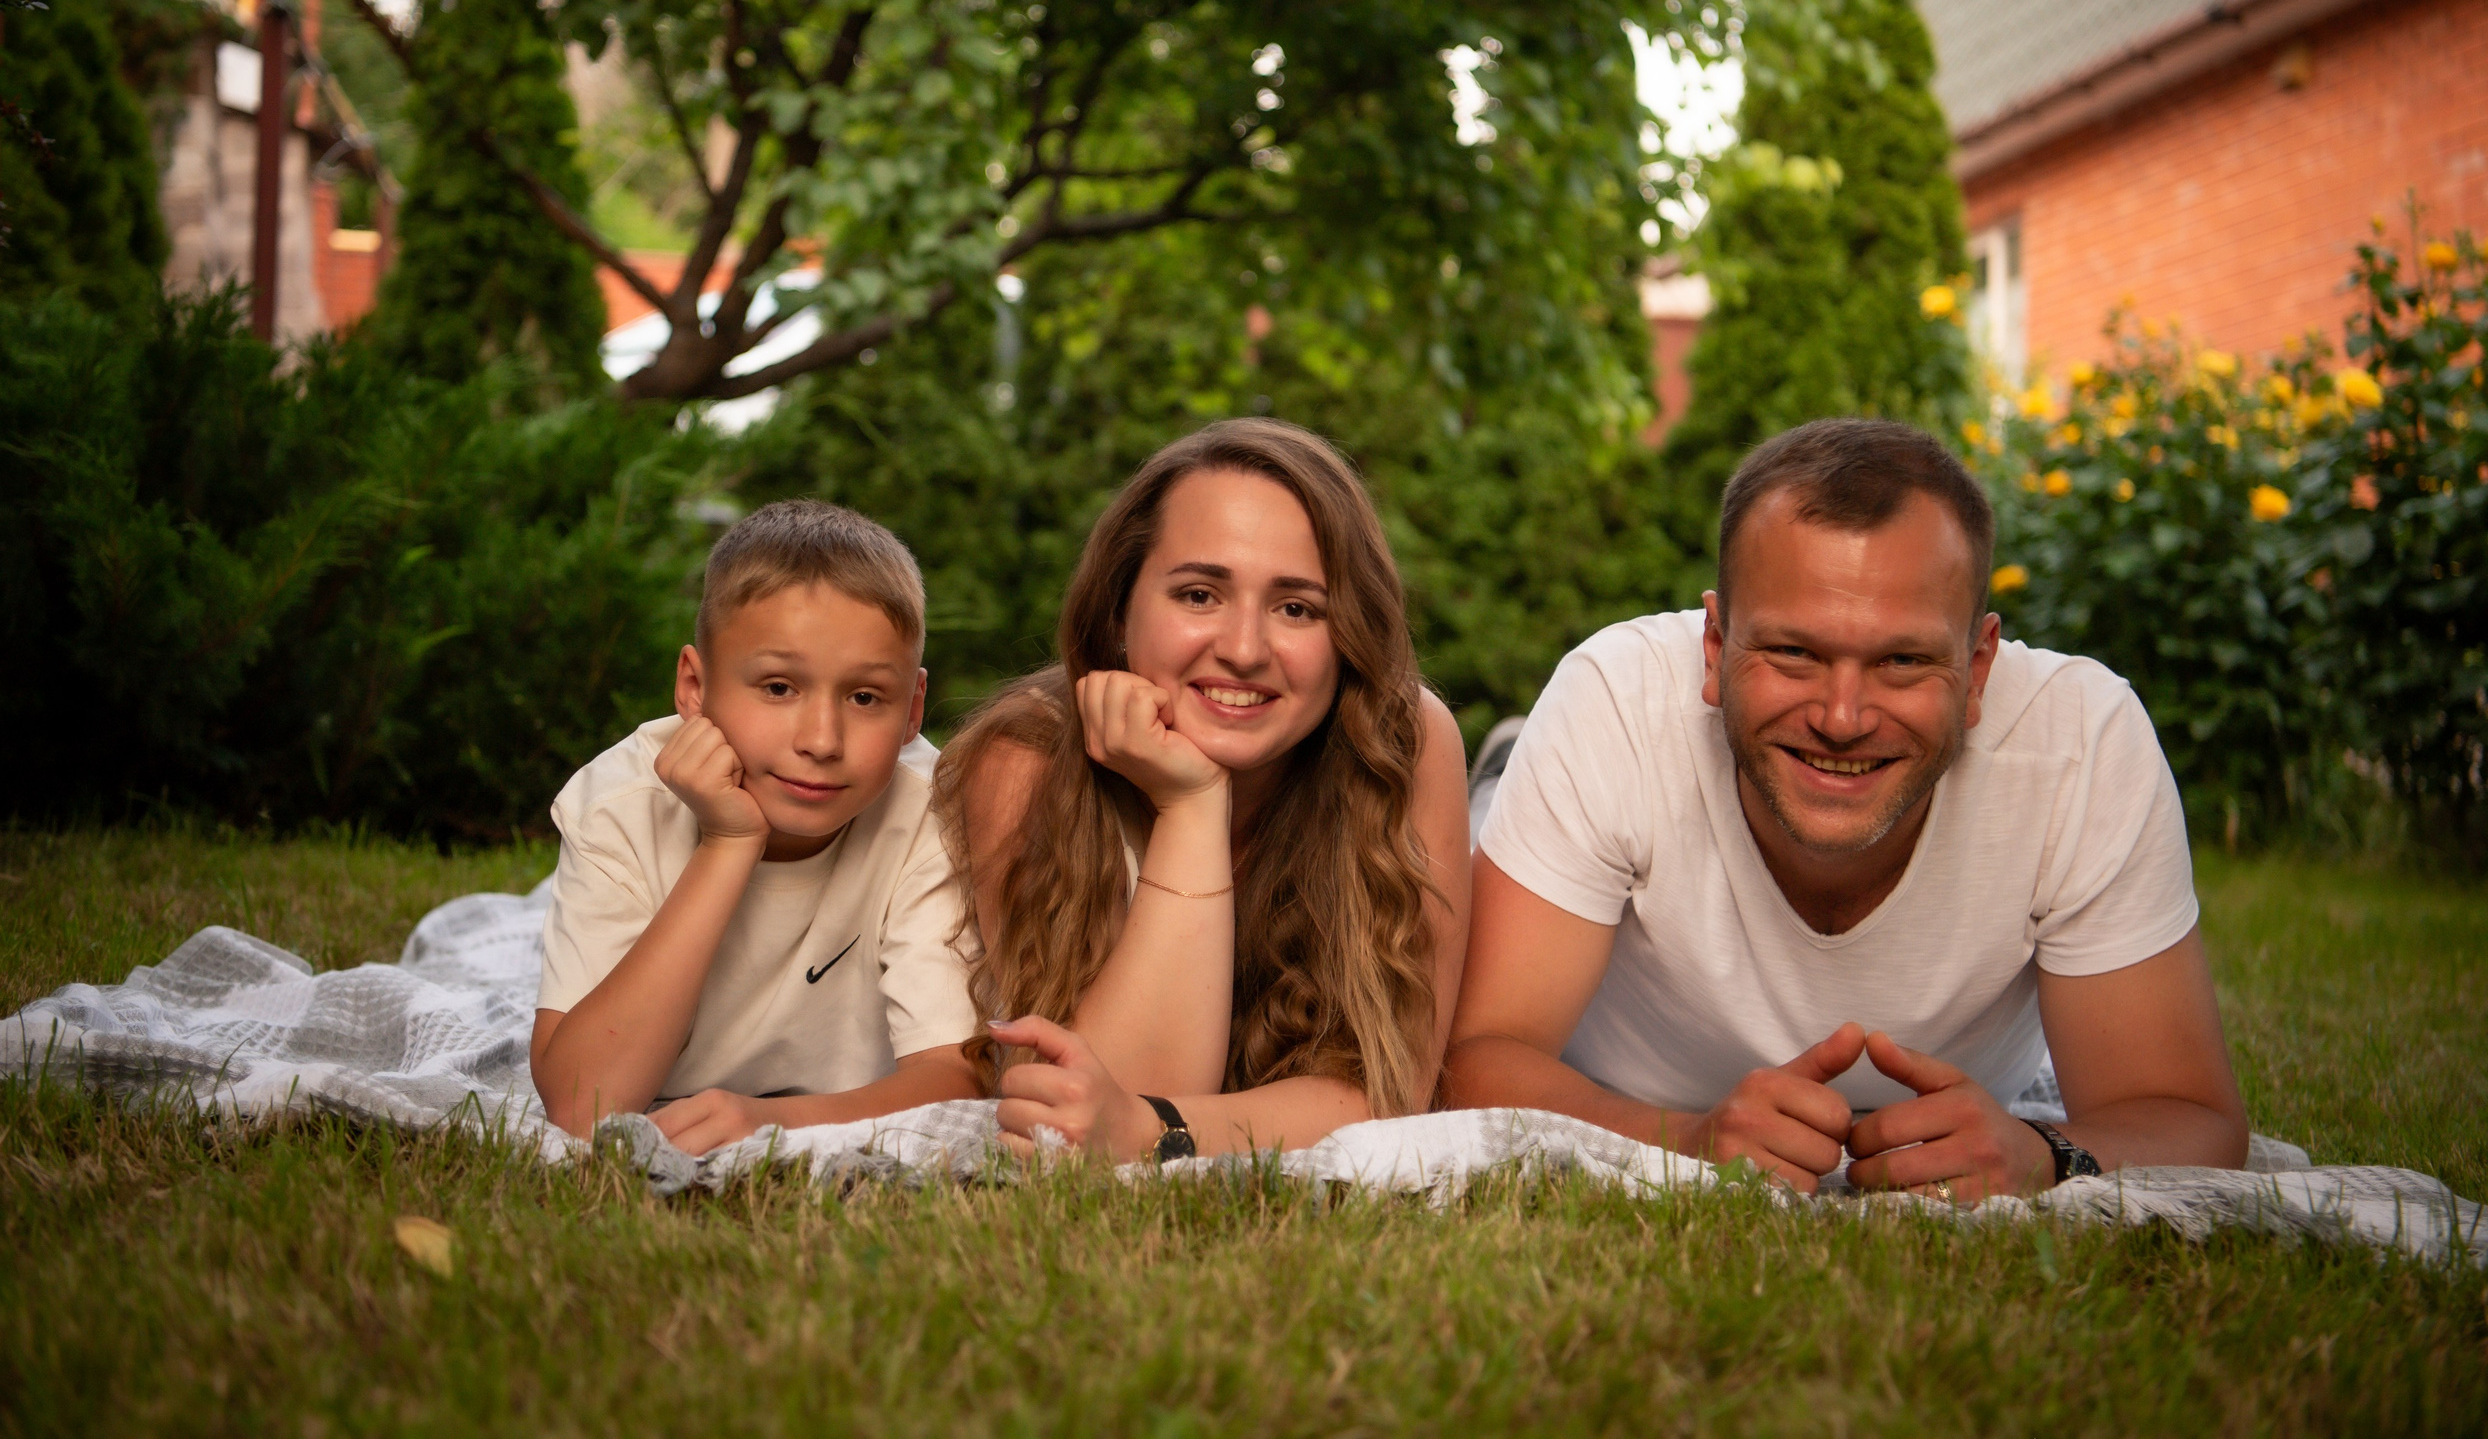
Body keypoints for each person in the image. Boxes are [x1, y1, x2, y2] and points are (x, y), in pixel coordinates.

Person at [1443, 418, 2251, 1199]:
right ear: (1715, 649)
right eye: (1795, 652)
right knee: (1487, 827)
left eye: (1902, 660)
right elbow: (1472, 1059)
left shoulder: (2082, 742)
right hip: (1598, 899)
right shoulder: (1613, 705)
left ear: (1978, 670)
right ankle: (1508, 770)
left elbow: (2187, 1116)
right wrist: (1685, 1139)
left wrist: (2044, 1151)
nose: (1842, 716)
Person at [935, 419, 1472, 1161]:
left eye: (1297, 608)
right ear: (1118, 610)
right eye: (1199, 594)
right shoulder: (1023, 759)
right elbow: (1084, 1114)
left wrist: (1154, 1129)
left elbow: (1388, 1094)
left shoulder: (1403, 742)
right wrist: (1190, 805)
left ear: (1348, 635)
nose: (1245, 649)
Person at [531, 501, 979, 1154]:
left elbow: (956, 1079)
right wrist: (729, 843)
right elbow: (582, 1103)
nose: (822, 740)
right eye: (777, 687)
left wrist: (775, 1125)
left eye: (864, 697)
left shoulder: (928, 818)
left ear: (912, 708)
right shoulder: (621, 804)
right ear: (693, 686)